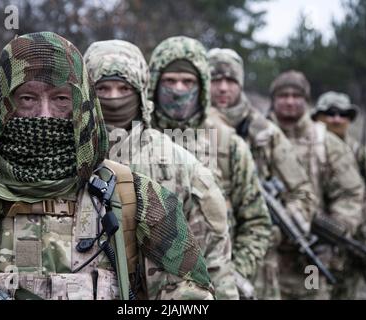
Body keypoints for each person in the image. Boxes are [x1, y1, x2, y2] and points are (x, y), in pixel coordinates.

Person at [0, 32, 214, 300]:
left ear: (82, 106)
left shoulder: (138, 198)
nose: (44, 116)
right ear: (3, 106)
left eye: (60, 99)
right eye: (27, 99)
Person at [83, 39, 238, 299]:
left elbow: (214, 261)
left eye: (123, 87)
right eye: (102, 88)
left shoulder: (181, 165)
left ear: (141, 91)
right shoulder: (63, 160)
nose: (113, 98)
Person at [147, 36, 272, 298]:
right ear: (154, 84)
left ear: (201, 86)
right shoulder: (135, 140)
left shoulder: (229, 145)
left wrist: (232, 272)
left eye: (188, 82)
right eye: (170, 81)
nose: (179, 89)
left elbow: (257, 222)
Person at [207, 48, 317, 299]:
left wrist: (273, 229)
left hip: (258, 266)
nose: (223, 88)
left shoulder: (264, 132)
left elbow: (303, 193)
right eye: (216, 80)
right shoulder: (187, 128)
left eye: (231, 81)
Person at [269, 70, 365, 299]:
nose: (290, 101)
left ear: (306, 101)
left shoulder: (326, 143)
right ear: (273, 100)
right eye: (283, 95)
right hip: (267, 257)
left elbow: (351, 193)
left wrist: (332, 233)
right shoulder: (256, 137)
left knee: (312, 293)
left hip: (310, 258)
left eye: (296, 95)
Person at [312, 91, 366, 299]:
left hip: (351, 247)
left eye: (343, 114)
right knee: (310, 291)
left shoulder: (360, 154)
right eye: (330, 113)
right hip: (314, 246)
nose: (336, 119)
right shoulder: (306, 150)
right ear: (317, 116)